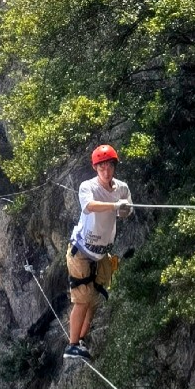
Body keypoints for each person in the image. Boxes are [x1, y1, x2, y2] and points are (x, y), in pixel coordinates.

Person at [63, 143, 132, 361]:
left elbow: (125, 213)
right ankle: (71, 346)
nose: (106, 171)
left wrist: (124, 208)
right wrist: (114, 206)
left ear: (114, 166)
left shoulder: (122, 188)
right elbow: (89, 206)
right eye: (101, 167)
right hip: (81, 251)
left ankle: (80, 340)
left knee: (93, 300)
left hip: (100, 254)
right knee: (82, 299)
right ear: (95, 168)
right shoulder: (87, 186)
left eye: (109, 166)